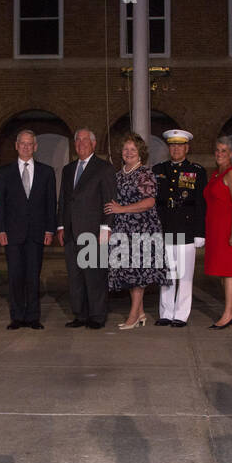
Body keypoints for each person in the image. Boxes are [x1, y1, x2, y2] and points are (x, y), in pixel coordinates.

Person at [0, 128, 56, 330]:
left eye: (30, 144)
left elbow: (50, 204)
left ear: (35, 147)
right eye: (22, 143)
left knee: (33, 276)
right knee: (15, 276)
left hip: (37, 233)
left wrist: (50, 230)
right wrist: (0, 230)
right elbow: (0, 204)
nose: (26, 147)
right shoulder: (4, 172)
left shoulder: (47, 172)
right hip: (12, 234)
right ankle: (17, 317)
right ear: (16, 146)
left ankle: (32, 317)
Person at [106, 133, 168, 329]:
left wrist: (121, 209)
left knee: (138, 274)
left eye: (133, 149)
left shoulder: (144, 173)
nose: (128, 152)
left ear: (141, 152)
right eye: (126, 149)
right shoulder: (118, 174)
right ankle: (140, 313)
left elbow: (149, 202)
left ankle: (132, 316)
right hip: (124, 230)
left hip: (143, 229)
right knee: (130, 274)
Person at [57, 127, 118, 329]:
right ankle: (80, 315)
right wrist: (60, 226)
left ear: (93, 144)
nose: (81, 143)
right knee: (75, 276)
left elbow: (109, 200)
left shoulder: (104, 168)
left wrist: (106, 228)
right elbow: (64, 200)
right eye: (78, 140)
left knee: (94, 277)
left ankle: (97, 316)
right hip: (71, 232)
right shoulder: (68, 169)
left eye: (85, 140)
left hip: (94, 232)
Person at [152, 129, 207, 327]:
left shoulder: (197, 171)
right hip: (165, 226)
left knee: (184, 275)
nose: (176, 149)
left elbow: (201, 203)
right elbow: (154, 202)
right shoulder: (159, 169)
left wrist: (200, 232)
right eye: (172, 145)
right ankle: (166, 312)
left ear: (187, 148)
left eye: (180, 145)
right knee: (167, 273)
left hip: (187, 227)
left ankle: (181, 314)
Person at [205, 135, 232, 328]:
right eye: (217, 150)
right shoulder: (216, 173)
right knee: (223, 271)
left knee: (230, 272)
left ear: (231, 153)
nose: (219, 154)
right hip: (216, 228)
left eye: (224, 151)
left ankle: (227, 314)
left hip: (229, 228)